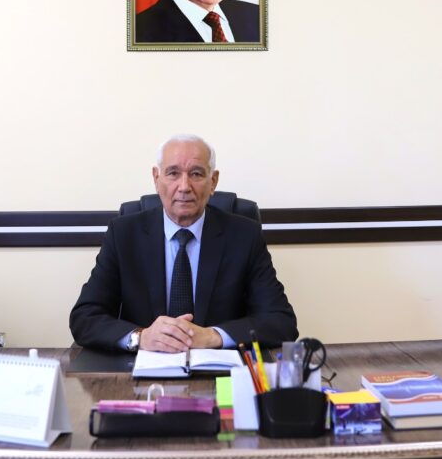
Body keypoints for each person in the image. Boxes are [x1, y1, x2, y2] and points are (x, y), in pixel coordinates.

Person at [69, 135, 297, 352]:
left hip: (219, 371)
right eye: (173, 173)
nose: (185, 186)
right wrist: (141, 337)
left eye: (196, 174)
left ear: (213, 181)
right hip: (141, 371)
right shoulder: (124, 234)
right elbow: (85, 317)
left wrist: (213, 336)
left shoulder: (244, 236)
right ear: (156, 178)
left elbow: (281, 321)